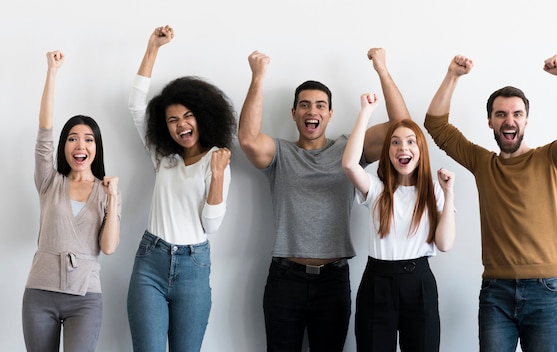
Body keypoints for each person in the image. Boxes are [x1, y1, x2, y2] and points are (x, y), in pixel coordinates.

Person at [424, 54, 557, 352]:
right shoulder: (482, 163)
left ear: (526, 120)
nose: (509, 120)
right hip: (496, 291)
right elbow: (435, 126)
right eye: (501, 114)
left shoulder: (548, 159)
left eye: (517, 114)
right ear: (490, 121)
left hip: (546, 289)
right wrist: (452, 75)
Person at [238, 48, 408, 351]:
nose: (311, 111)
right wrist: (258, 77)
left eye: (319, 105)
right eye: (304, 105)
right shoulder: (280, 153)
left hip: (333, 280)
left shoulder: (349, 150)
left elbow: (404, 128)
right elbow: (249, 139)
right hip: (284, 279)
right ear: (294, 114)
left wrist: (382, 69)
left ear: (329, 114)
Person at [126, 25, 236, 352]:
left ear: (202, 117)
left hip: (194, 266)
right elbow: (135, 105)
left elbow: (212, 225)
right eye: (173, 120)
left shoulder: (216, 160)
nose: (181, 125)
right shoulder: (164, 158)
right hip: (151, 261)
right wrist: (152, 48)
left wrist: (217, 176)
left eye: (188, 116)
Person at [22, 50, 121, 352]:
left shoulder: (106, 191)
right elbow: (44, 132)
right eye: (73, 138)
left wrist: (114, 198)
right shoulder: (50, 182)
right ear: (64, 146)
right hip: (40, 293)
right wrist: (52, 72)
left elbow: (109, 247)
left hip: (86, 298)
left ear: (96, 147)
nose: (81, 145)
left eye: (88, 138)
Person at [343, 92, 456, 352]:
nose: (403, 148)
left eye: (410, 142)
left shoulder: (433, 191)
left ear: (420, 150)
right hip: (377, 282)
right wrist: (365, 112)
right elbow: (349, 164)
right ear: (388, 152)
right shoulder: (376, 188)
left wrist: (448, 194)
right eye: (395, 143)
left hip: (419, 283)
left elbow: (445, 243)